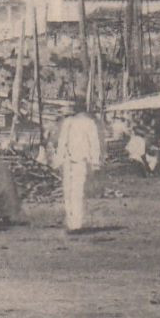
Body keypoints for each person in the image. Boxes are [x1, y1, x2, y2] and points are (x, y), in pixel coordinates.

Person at [52, 98, 103, 234]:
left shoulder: (87, 123)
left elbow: (94, 144)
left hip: (79, 160)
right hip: (70, 160)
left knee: (75, 192)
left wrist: (95, 162)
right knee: (71, 192)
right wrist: (58, 161)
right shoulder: (71, 122)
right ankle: (72, 223)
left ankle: (76, 224)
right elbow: (63, 142)